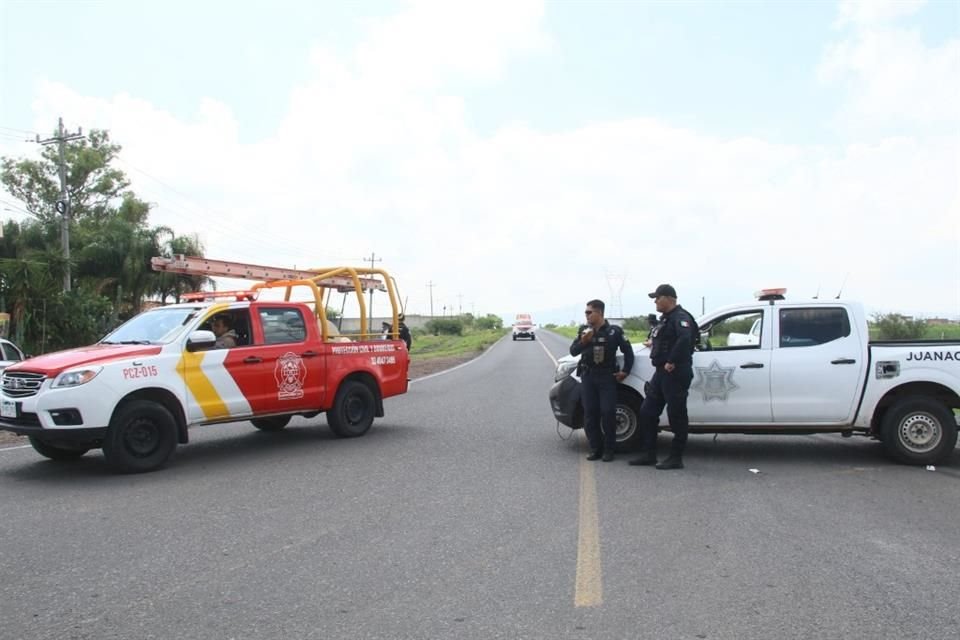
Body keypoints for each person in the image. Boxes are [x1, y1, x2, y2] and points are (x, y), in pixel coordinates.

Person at [629, 284, 698, 470]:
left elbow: (685, 339)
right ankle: (649, 454)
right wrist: (653, 343)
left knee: (677, 416)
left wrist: (672, 360)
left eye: (658, 297)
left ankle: (676, 458)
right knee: (647, 412)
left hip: (675, 373)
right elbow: (667, 339)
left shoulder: (681, 317)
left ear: (669, 298)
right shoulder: (666, 320)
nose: (655, 301)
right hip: (661, 374)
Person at [570, 299, 634, 462]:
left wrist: (625, 371)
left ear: (599, 313)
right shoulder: (584, 331)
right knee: (590, 413)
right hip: (588, 376)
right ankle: (595, 448)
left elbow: (628, 352)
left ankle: (609, 449)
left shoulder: (614, 331)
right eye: (586, 312)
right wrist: (583, 340)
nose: (586, 315)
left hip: (606, 377)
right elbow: (573, 351)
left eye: (589, 312)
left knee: (608, 412)